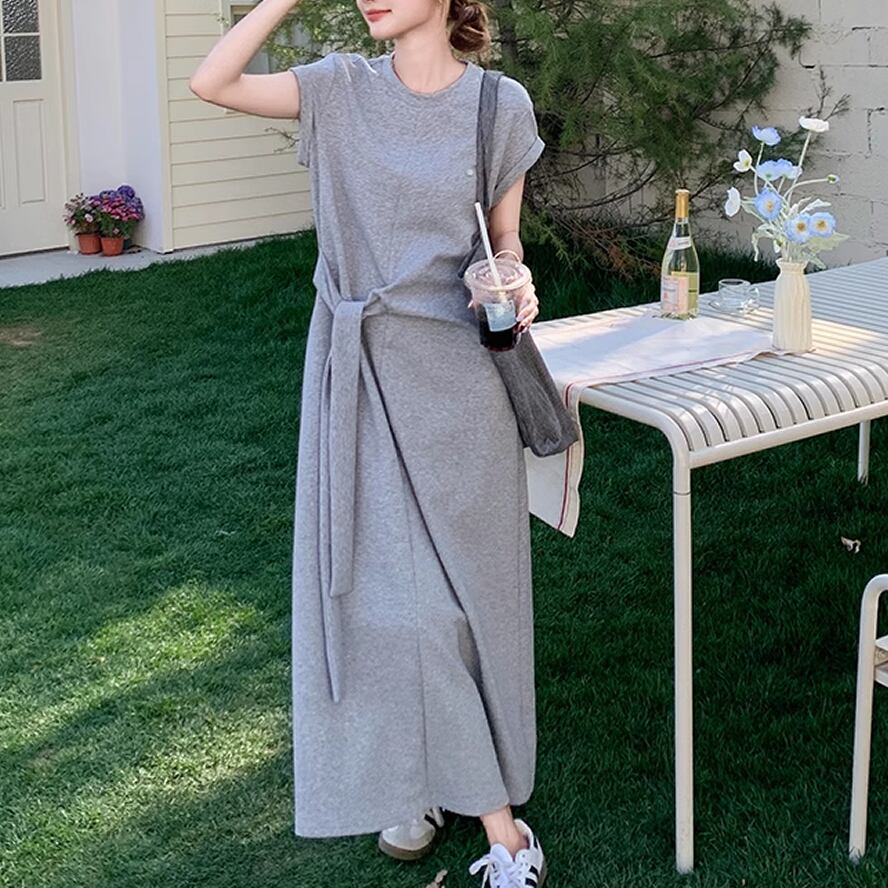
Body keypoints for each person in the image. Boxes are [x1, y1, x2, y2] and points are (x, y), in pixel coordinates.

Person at [189, 1, 547, 884]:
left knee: (469, 605)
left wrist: (512, 278)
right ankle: (503, 833)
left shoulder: (499, 105)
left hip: (460, 388)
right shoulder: (338, 89)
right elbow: (212, 81)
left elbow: (503, 240)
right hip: (357, 379)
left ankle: (426, 780)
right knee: (397, 606)